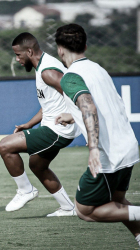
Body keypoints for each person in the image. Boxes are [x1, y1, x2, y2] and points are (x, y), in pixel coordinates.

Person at [54, 23, 140, 246]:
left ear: (60, 49)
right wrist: (72, 115)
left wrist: (93, 148)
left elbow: (88, 106)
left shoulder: (70, 77)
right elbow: (103, 105)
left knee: (85, 210)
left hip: (108, 155)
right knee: (117, 202)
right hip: (127, 147)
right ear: (85, 45)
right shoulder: (97, 68)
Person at [0, 32, 81, 217]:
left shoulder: (48, 71)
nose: (17, 59)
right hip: (53, 127)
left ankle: (26, 190)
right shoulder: (43, 67)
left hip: (58, 130)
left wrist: (77, 117)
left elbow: (76, 93)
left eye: (18, 55)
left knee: (5, 146)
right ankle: (68, 208)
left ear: (29, 51)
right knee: (37, 165)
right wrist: (29, 124)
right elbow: (50, 105)